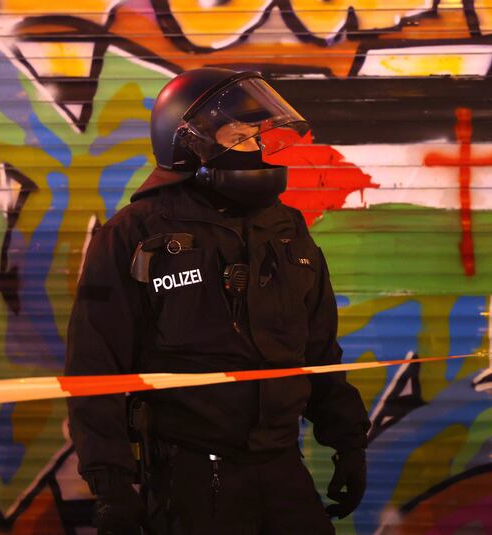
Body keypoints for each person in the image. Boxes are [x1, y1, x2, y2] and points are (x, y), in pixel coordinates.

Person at [64, 68, 370, 535]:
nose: (258, 148)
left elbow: (319, 352)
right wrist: (111, 488)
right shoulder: (136, 233)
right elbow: (95, 366)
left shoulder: (285, 229)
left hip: (282, 468)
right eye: (240, 136)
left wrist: (348, 443)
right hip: (191, 479)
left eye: (258, 136)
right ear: (189, 145)